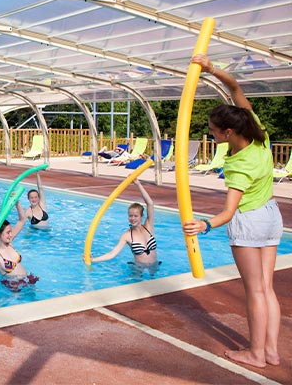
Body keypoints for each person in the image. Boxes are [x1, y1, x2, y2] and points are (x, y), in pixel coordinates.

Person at [182, 53, 282, 369]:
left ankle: (256, 353)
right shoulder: (259, 136)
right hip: (271, 216)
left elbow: (228, 213)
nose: (211, 134)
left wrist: (204, 226)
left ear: (227, 133)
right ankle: (271, 351)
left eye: (213, 130)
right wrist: (211, 69)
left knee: (254, 291)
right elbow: (236, 88)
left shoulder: (239, 165)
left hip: (250, 222)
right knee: (267, 288)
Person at [91, 180, 159, 274]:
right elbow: (112, 253)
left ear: (141, 216)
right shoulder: (126, 235)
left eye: (135, 216)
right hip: (138, 268)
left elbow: (150, 204)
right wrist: (93, 260)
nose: (132, 218)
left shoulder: (149, 226)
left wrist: (138, 184)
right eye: (130, 216)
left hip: (154, 265)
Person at [0, 200, 38, 292]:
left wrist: (17, 203)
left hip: (28, 278)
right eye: (8, 232)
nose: (11, 235)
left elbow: (22, 220)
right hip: (14, 285)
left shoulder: (9, 242)